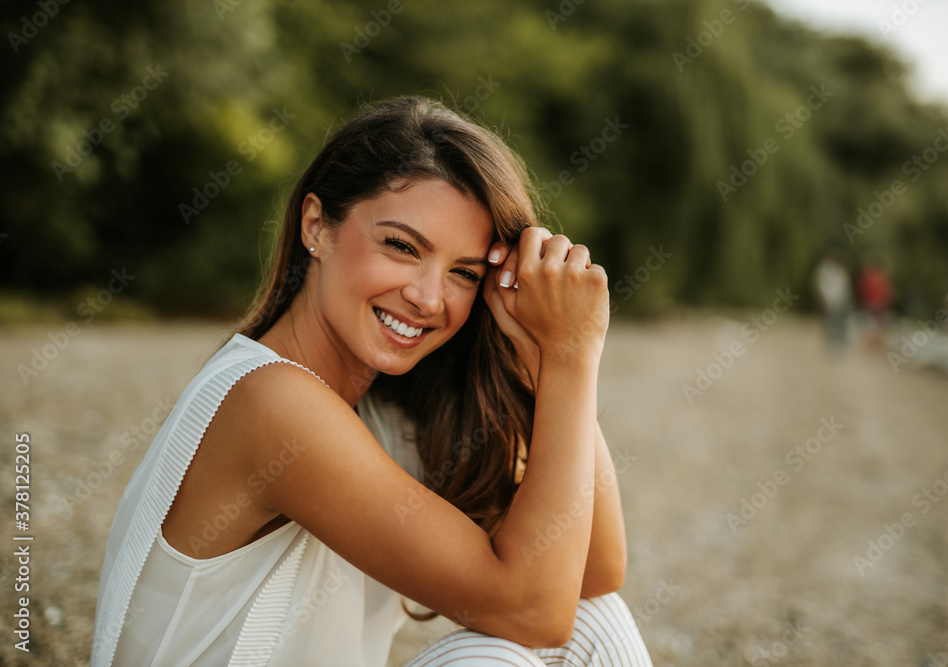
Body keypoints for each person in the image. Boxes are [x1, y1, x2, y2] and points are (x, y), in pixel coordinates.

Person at [90, 96, 653, 666]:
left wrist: (541, 353)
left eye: (464, 273)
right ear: (317, 227)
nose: (429, 298)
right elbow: (533, 612)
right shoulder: (270, 400)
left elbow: (593, 572)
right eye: (402, 247)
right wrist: (571, 359)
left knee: (595, 619)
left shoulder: (384, 409)